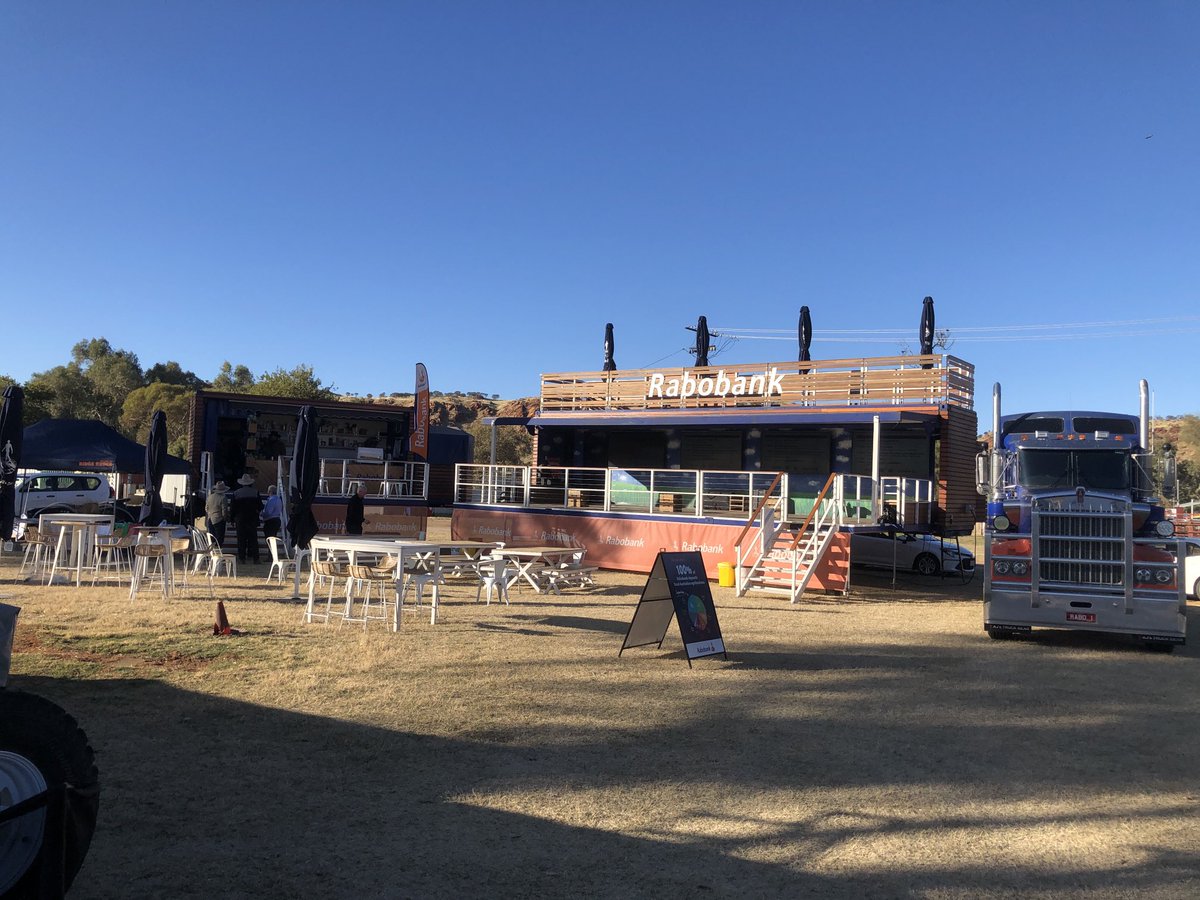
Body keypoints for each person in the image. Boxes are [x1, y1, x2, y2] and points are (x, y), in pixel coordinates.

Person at [230, 473, 263, 564]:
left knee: (241, 539)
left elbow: (233, 508)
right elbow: (260, 506)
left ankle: (242, 558)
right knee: (253, 539)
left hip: (240, 519)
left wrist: (232, 519)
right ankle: (256, 558)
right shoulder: (255, 492)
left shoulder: (236, 493)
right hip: (252, 518)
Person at [205, 481, 229, 549]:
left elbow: (206, 508)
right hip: (219, 519)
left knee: (212, 537)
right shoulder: (223, 498)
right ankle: (218, 550)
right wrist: (225, 518)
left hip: (210, 518)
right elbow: (224, 510)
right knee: (219, 538)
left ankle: (212, 551)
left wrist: (210, 514)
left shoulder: (210, 497)